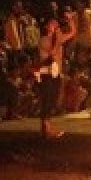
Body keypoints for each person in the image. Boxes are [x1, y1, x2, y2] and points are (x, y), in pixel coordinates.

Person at [36, 10, 76, 138]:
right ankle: (45, 128)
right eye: (52, 23)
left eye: (56, 23)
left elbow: (73, 32)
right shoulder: (44, 40)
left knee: (53, 100)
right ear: (47, 26)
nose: (56, 25)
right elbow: (47, 58)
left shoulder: (58, 38)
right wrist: (57, 43)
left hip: (56, 73)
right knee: (47, 99)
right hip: (47, 73)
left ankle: (47, 127)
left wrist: (70, 20)